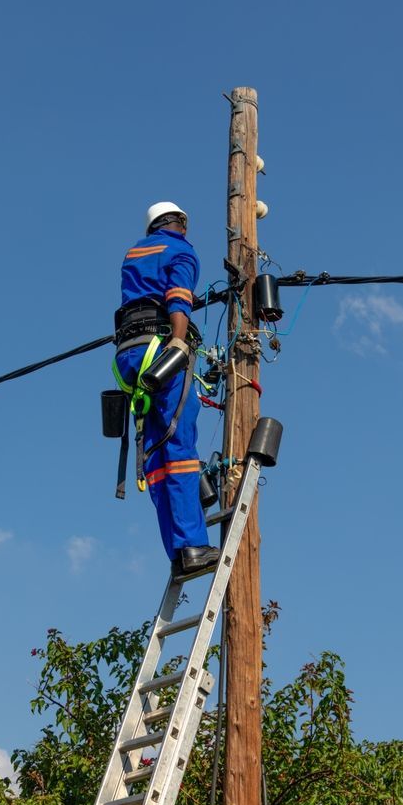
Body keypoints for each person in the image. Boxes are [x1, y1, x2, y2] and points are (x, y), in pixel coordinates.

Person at [112, 201, 220, 575]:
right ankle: (192, 546)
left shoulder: (135, 253)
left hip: (128, 356)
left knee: (157, 459)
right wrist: (178, 339)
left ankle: (177, 552)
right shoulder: (181, 250)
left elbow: (147, 294)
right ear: (182, 225)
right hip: (162, 351)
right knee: (180, 448)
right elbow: (177, 295)